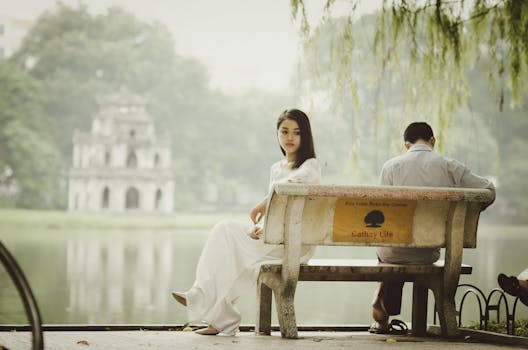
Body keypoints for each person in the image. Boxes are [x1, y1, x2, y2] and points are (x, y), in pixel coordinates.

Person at [171, 109, 321, 335]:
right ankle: (215, 309)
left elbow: (292, 185)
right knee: (225, 236)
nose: (290, 137)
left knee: (229, 239)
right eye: (284, 131)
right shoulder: (276, 168)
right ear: (277, 134)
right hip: (273, 238)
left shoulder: (310, 165)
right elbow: (277, 213)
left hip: (295, 245)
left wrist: (263, 202)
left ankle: (215, 309)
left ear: (305, 136)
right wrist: (258, 228)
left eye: (296, 132)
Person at [370, 122, 496, 334]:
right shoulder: (450, 166)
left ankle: (384, 310)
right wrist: (471, 213)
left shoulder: (391, 166)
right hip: (428, 254)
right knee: (412, 250)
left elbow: (384, 211)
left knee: (391, 251)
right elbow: (488, 190)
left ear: (406, 145)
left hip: (394, 253)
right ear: (432, 141)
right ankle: (401, 311)